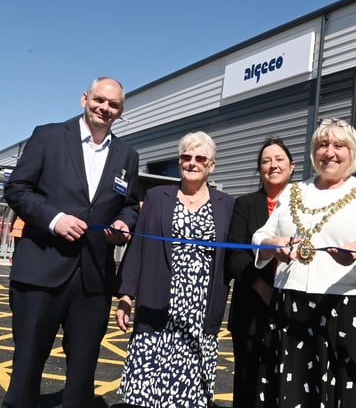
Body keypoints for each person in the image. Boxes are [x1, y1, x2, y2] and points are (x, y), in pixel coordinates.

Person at [2, 77, 140, 407]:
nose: (105, 108)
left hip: (93, 278)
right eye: (99, 100)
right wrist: (54, 219)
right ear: (84, 99)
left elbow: (131, 204)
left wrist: (124, 222)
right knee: (27, 366)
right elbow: (17, 189)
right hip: (41, 272)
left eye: (113, 105)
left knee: (82, 372)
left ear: (120, 112)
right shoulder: (48, 137)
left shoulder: (127, 155)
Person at [252, 118, 356, 407]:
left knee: (343, 393)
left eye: (338, 146)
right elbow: (260, 236)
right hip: (291, 305)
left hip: (344, 308)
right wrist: (271, 245)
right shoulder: (293, 191)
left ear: (351, 152)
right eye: (322, 145)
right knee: (291, 395)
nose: (329, 152)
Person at [115, 131, 234, 406]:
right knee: (148, 384)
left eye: (200, 158)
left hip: (201, 305)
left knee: (191, 386)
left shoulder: (227, 205)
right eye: (186, 157)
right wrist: (125, 296)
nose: (192, 162)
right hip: (157, 298)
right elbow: (139, 247)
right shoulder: (157, 196)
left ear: (211, 165)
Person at [225, 136, 295, 407]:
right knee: (248, 381)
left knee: (288, 380)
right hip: (252, 309)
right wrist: (262, 287)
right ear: (259, 169)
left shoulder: (303, 204)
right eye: (266, 161)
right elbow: (235, 256)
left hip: (294, 308)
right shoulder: (245, 204)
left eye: (279, 160)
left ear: (292, 166)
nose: (273, 166)